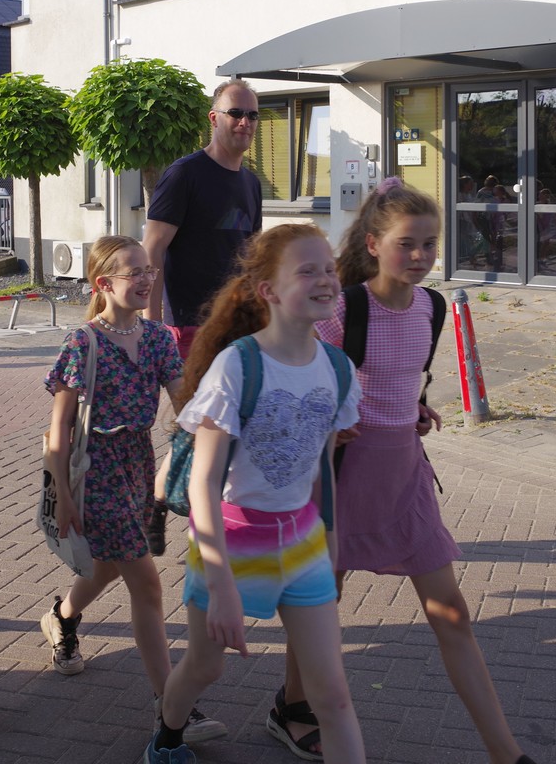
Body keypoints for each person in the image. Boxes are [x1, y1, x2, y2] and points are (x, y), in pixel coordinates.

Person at [275, 179, 536, 764]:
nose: (420, 256)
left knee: (451, 613)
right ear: (373, 243)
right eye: (406, 243)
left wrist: (412, 406)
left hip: (404, 477)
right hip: (340, 477)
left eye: (430, 244)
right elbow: (291, 373)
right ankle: (292, 708)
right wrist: (328, 416)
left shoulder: (432, 307)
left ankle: (506, 754)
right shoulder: (342, 307)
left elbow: (397, 375)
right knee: (322, 602)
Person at [146, 224, 364, 764]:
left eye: (329, 269)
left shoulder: (338, 369)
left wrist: (332, 542)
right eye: (307, 270)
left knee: (334, 696)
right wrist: (221, 584)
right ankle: (167, 737)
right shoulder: (238, 366)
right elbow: (203, 483)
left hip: (304, 544)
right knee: (206, 666)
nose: (325, 280)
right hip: (233, 542)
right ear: (268, 290)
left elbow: (323, 469)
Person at [39, 235, 227, 745]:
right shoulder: (83, 342)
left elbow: (184, 401)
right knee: (146, 584)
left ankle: (61, 618)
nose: (147, 279)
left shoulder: (159, 338)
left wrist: (220, 425)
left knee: (106, 567)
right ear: (104, 283)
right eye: (134, 272)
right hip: (95, 468)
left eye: (149, 270)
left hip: (137, 463)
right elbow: (59, 430)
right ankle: (172, 705)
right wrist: (63, 495)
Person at [142, 77, 264, 553]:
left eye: (252, 115)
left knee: (212, 430)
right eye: (236, 113)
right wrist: (153, 327)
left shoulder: (250, 183)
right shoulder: (185, 174)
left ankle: (158, 497)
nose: (245, 122)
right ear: (214, 118)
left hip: (237, 327)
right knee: (207, 431)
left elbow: (251, 257)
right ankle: (212, 542)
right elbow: (153, 250)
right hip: (189, 326)